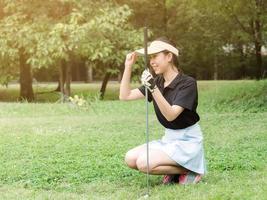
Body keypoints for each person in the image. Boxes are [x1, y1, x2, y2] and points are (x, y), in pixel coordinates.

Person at [119, 37, 206, 185]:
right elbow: (125, 96)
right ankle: (177, 171)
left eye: (155, 56)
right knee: (130, 158)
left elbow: (171, 115)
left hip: (187, 142)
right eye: (150, 57)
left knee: (144, 163)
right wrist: (128, 66)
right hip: (169, 139)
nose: (151, 61)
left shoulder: (187, 83)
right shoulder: (157, 81)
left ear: (169, 56)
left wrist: (153, 89)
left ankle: (191, 170)